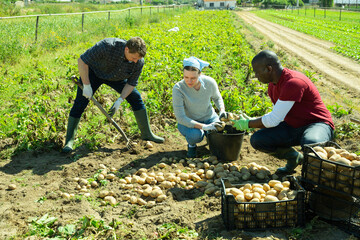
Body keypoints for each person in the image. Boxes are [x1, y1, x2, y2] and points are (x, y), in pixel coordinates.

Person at [232, 50, 334, 174]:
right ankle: (294, 158)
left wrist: (247, 123)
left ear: (269, 69)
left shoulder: (293, 82)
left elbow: (273, 119)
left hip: (317, 124)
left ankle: (312, 176)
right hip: (293, 126)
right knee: (258, 139)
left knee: (311, 145)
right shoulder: (273, 85)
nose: (256, 76)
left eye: (257, 72)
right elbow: (278, 115)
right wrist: (251, 120)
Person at [62, 37, 164, 153]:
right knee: (80, 103)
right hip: (94, 73)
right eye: (134, 58)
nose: (136, 61)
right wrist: (86, 85)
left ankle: (147, 134)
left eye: (138, 59)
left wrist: (120, 99)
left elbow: (131, 83)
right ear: (126, 49)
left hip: (116, 77)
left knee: (136, 98)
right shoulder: (107, 46)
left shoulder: (138, 61)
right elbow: (82, 60)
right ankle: (69, 141)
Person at [172, 56, 228, 158]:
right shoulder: (178, 88)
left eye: (193, 78)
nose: (189, 81)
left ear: (200, 74)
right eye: (186, 77)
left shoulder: (209, 82)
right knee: (196, 135)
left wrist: (222, 110)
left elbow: (217, 97)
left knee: (220, 130)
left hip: (209, 117)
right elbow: (181, 118)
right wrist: (204, 127)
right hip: (188, 123)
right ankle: (191, 145)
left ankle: (211, 141)